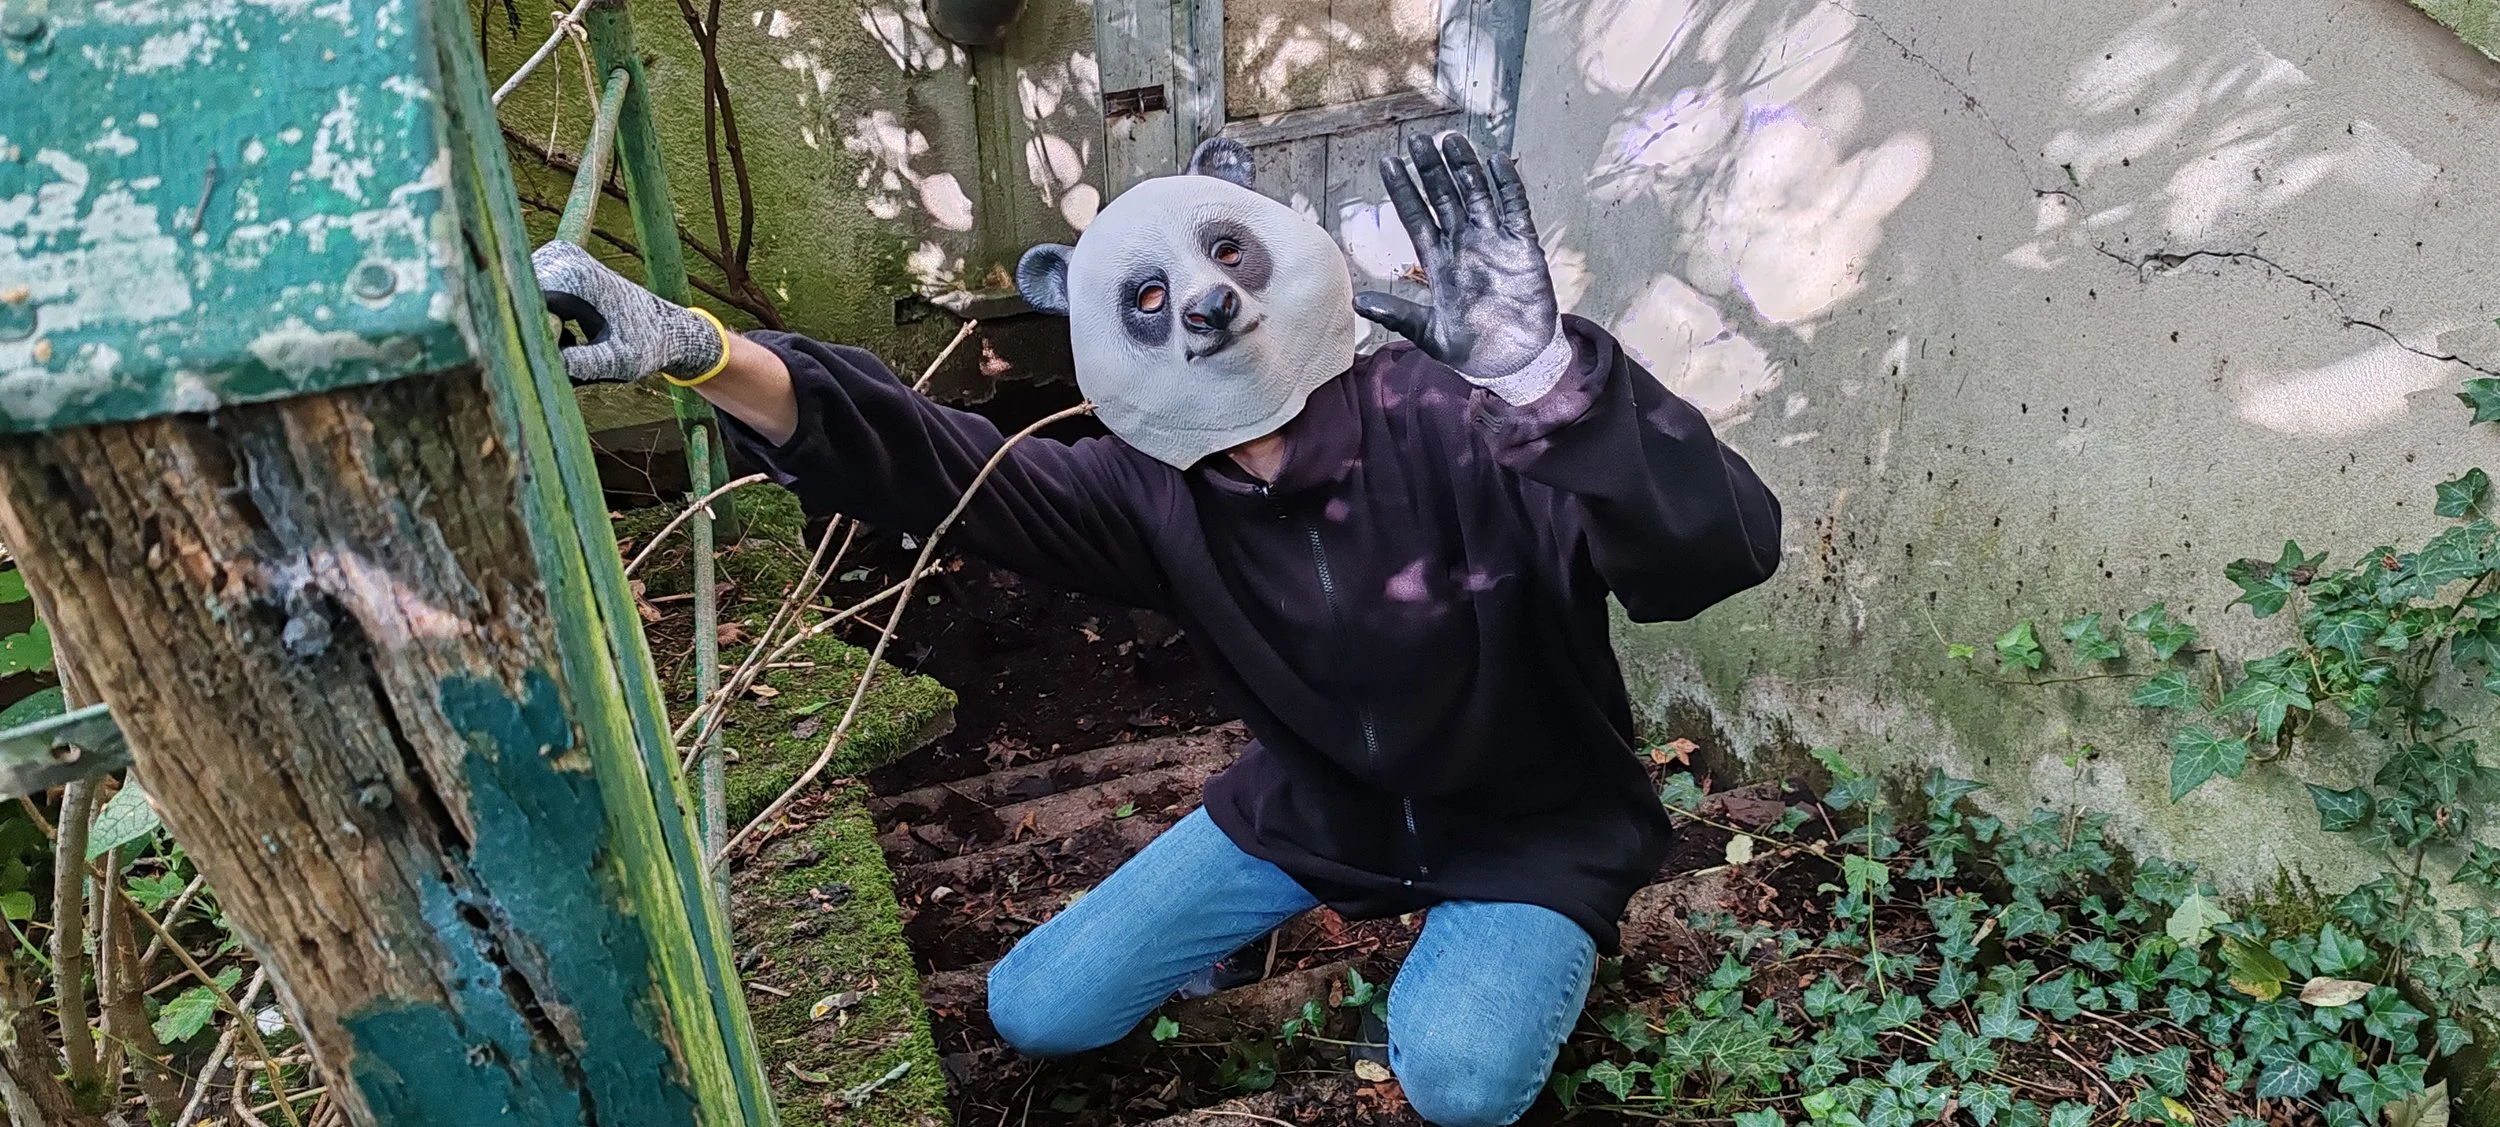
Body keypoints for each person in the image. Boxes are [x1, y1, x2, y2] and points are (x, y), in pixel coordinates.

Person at [532, 132, 1782, 1127]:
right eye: (1145, 295)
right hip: (1319, 809)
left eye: (1225, 252)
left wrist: (1546, 382)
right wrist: (703, 351)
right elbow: (932, 457)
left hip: (1533, 827)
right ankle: (1274, 921)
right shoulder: (1149, 493)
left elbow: (1718, 551)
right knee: (1036, 1007)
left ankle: (1498, 963)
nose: (1205, 299)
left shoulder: (1466, 417)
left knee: (1458, 1076)